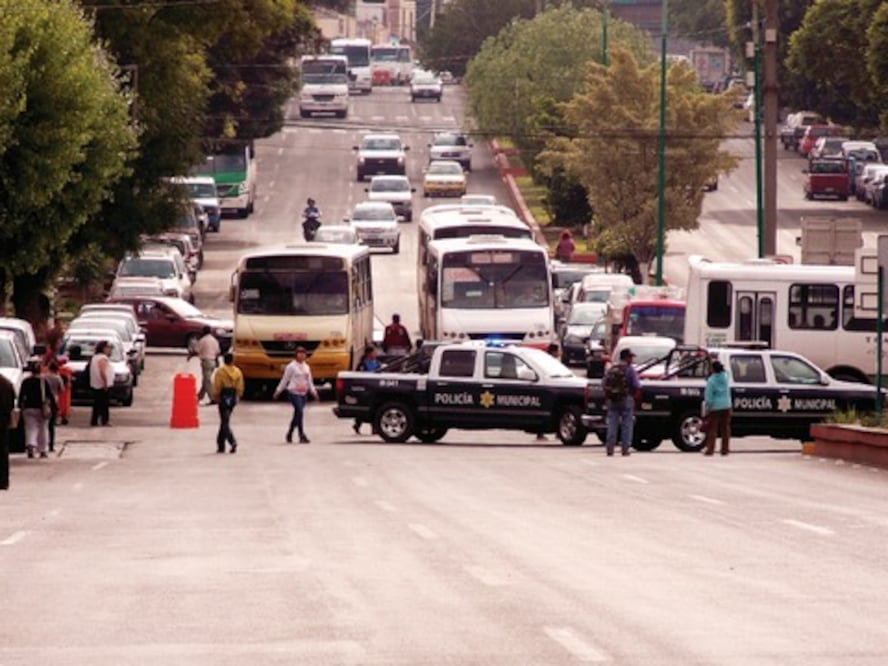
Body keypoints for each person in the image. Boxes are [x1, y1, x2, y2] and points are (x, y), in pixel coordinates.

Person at [273, 346, 319, 443]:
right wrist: (278, 391)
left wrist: (313, 391)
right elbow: (285, 380)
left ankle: (290, 433)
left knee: (297, 414)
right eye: (300, 353)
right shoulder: (291, 367)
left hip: (304, 393)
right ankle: (301, 435)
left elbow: (309, 381)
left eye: (303, 354)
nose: (302, 356)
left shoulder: (306, 367)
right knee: (300, 412)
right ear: (296, 355)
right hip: (294, 392)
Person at [603, 348, 641, 456]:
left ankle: (610, 448)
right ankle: (625, 448)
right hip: (626, 398)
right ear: (626, 357)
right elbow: (636, 385)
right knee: (627, 425)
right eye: (631, 357)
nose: (632, 359)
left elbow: (604, 383)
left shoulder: (612, 368)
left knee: (612, 424)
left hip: (612, 399)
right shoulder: (630, 370)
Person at [18, 361, 56, 459]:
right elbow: (50, 396)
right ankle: (42, 450)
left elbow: (21, 395)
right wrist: (55, 407)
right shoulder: (43, 382)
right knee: (43, 428)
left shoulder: (25, 381)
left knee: (30, 428)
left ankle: (30, 445)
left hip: (28, 408)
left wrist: (19, 407)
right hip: (41, 408)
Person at [210, 352, 245, 454]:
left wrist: (215, 396)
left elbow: (217, 385)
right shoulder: (238, 372)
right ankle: (221, 445)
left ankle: (232, 441)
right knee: (225, 420)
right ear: (232, 360)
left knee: (224, 422)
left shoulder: (220, 372)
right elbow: (240, 386)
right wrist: (238, 396)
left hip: (223, 396)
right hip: (232, 396)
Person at [702, 360, 732, 456]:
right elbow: (727, 371)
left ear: (713, 369)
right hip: (727, 405)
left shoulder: (711, 381)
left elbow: (709, 396)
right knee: (725, 429)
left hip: (715, 407)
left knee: (713, 429)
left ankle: (710, 450)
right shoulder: (726, 377)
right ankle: (725, 449)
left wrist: (708, 406)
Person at [353, 345, 381, 434]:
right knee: (363, 409)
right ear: (369, 354)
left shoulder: (378, 363)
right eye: (374, 352)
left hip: (375, 389)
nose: (376, 354)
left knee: (375, 408)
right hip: (365, 389)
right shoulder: (362, 365)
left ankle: (374, 428)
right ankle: (357, 425)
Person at [190, 326, 221, 405]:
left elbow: (196, 350)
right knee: (206, 380)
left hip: (206, 362)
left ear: (203, 332)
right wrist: (217, 362)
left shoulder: (202, 340)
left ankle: (213, 398)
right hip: (213, 362)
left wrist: (190, 355)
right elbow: (217, 352)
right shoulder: (214, 340)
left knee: (207, 381)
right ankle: (199, 396)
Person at [537, 343, 561, 441]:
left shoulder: (546, 360)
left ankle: (541, 433)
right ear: (553, 352)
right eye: (557, 351)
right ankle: (542, 433)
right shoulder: (550, 362)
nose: (559, 353)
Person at [89, 340, 114, 427]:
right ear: (103, 349)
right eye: (108, 348)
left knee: (97, 403)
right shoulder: (102, 358)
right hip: (101, 385)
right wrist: (105, 383)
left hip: (96, 384)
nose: (109, 350)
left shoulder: (95, 357)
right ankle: (104, 420)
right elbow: (102, 371)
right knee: (104, 404)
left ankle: (94, 420)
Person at [42, 362, 64, 453]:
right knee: (51, 425)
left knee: (42, 425)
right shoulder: (57, 378)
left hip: (44, 401)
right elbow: (62, 389)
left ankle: (40, 444)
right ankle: (51, 445)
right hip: (54, 401)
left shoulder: (43, 377)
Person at [0, 373, 15, 489]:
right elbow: (11, 403)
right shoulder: (6, 383)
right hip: (3, 421)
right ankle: (3, 480)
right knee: (3, 451)